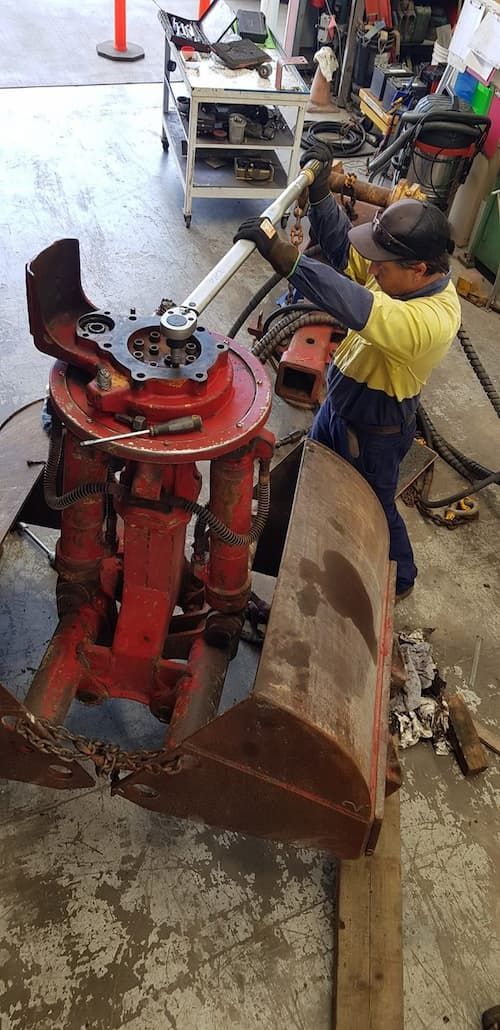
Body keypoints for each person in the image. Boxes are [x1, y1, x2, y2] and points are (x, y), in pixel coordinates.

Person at [234, 141, 461, 600]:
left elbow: (352, 300)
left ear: (419, 269)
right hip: (337, 407)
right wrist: (320, 196)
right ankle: (309, 540)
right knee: (313, 476)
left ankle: (400, 579)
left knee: (374, 508)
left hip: (376, 430)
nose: (373, 270)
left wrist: (287, 257)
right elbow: (344, 256)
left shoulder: (433, 321)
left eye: (384, 264)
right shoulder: (401, 278)